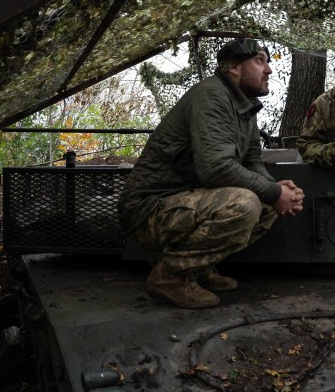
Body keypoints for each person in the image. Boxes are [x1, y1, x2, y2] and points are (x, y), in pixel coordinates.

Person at [118, 36, 304, 309]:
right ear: (234, 68)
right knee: (245, 204)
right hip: (147, 211)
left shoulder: (243, 105)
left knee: (267, 204)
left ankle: (196, 268)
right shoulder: (212, 96)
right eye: (259, 61)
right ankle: (169, 276)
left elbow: (252, 160)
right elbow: (215, 169)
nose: (269, 70)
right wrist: (274, 192)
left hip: (186, 201)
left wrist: (279, 192)